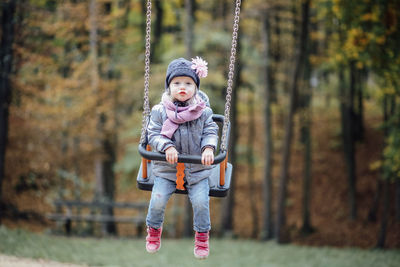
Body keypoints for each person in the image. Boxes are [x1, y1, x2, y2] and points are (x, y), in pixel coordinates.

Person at [145, 57, 218, 259]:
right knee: (157, 200)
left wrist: (209, 148)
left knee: (202, 203)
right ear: (169, 86)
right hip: (166, 170)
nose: (182, 87)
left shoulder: (203, 112)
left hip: (197, 171)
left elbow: (210, 131)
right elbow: (153, 134)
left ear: (196, 87)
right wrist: (166, 145)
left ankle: (202, 237)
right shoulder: (160, 111)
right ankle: (153, 231)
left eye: (188, 83)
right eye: (176, 83)